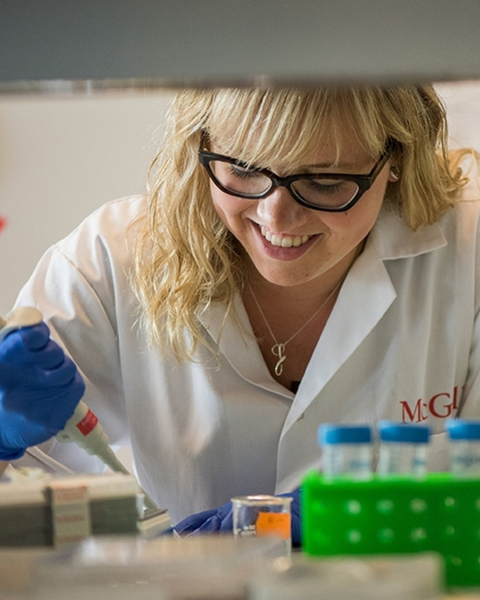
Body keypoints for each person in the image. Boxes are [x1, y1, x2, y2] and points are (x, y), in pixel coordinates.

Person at [1, 85, 479, 544]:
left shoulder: (467, 253)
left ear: (396, 158)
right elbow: (25, 517)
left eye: (325, 182)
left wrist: (377, 519)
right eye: (246, 170)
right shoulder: (109, 261)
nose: (276, 218)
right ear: (202, 144)